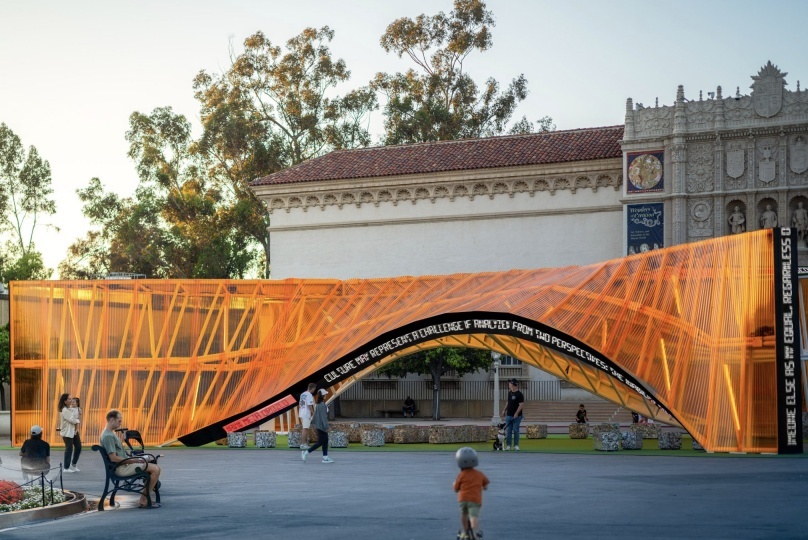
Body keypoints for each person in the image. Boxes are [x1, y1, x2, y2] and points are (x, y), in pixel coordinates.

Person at [101, 409, 162, 508]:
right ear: (112, 419)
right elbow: (113, 458)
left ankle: (145, 497)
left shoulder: (110, 434)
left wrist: (137, 459)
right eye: (119, 421)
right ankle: (144, 500)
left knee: (155, 468)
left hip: (123, 465)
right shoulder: (108, 436)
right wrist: (136, 460)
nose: (120, 424)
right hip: (121, 468)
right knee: (155, 469)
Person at [453, 447, 488, 540]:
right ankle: (475, 532)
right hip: (475, 499)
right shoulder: (479, 474)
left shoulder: (460, 475)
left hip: (463, 499)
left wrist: (455, 485)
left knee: (464, 514)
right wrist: (484, 487)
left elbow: (456, 489)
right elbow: (485, 485)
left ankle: (465, 532)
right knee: (474, 516)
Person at [301, 390, 333, 463]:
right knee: (321, 442)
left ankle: (325, 457)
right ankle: (306, 453)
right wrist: (327, 426)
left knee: (325, 441)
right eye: (325, 394)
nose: (326, 395)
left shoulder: (318, 404)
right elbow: (323, 417)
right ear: (323, 396)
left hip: (319, 425)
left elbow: (316, 415)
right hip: (322, 426)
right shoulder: (322, 405)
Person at [58, 393, 82, 473]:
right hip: (67, 432)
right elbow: (72, 420)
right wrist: (78, 420)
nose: (71, 400)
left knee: (78, 447)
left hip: (74, 431)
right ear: (65, 401)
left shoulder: (70, 409)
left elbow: (77, 415)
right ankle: (66, 467)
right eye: (69, 399)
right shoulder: (65, 410)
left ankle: (73, 465)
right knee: (69, 449)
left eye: (71, 398)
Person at [500, 378, 524, 451]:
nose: (509, 385)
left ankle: (516, 445)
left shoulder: (520, 394)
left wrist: (516, 413)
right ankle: (508, 445)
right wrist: (504, 410)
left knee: (516, 430)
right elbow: (508, 402)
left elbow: (521, 405)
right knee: (508, 431)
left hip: (517, 416)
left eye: (510, 383)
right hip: (509, 415)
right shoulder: (509, 393)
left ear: (513, 385)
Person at [298, 383, 316, 450]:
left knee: (306, 428)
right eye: (314, 389)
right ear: (313, 388)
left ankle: (304, 443)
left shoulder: (302, 394)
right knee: (305, 429)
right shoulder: (309, 395)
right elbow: (309, 405)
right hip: (306, 413)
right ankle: (303, 444)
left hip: (302, 412)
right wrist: (313, 413)